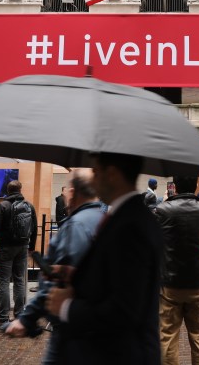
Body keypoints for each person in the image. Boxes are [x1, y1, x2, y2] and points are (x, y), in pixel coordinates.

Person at [45, 153, 163, 363]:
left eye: (96, 172)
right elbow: (117, 276)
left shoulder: (130, 225)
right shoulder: (123, 216)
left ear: (112, 174)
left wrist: (66, 307)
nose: (93, 179)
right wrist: (79, 276)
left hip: (123, 354)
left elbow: (124, 310)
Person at [6, 169, 106, 364]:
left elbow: (58, 280)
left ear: (73, 192)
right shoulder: (105, 221)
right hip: (94, 322)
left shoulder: (75, 226)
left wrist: (27, 318)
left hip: (71, 327)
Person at [153, 175, 199, 365]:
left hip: (170, 283)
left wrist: (163, 203)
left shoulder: (162, 210)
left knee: (168, 338)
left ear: (175, 186)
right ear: (196, 184)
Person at [0, 180, 37, 330]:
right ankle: (20, 314)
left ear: (7, 190)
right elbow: (34, 228)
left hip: (5, 248)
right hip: (22, 248)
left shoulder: (3, 206)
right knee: (19, 281)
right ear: (20, 189)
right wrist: (31, 247)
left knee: (3, 282)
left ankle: (3, 318)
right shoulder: (29, 206)